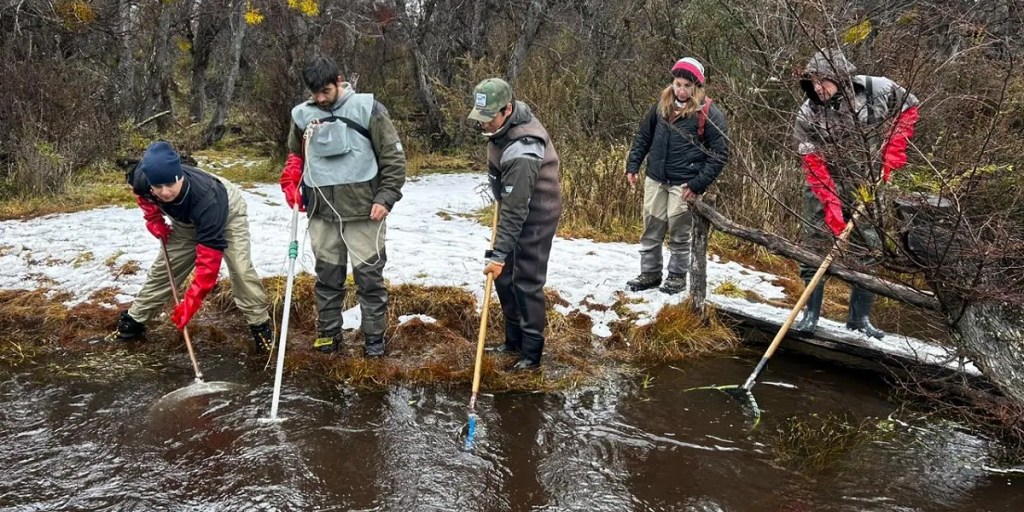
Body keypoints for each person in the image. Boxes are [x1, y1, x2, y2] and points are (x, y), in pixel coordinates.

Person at [279, 55, 407, 357]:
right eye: (315, 94)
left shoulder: (368, 109)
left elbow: (394, 158)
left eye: (326, 91)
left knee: (369, 281)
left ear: (339, 81)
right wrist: (291, 184)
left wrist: (385, 198)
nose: (320, 99)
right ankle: (328, 335)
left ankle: (374, 339)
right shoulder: (302, 116)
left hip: (365, 211)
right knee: (327, 278)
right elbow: (295, 157)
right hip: (321, 212)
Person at [792, 49, 919, 339]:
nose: (818, 88)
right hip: (823, 181)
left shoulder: (877, 89)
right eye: (813, 81)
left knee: (870, 248)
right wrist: (831, 204)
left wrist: (894, 148)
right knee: (815, 245)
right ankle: (810, 314)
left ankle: (859, 318)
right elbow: (811, 161)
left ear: (842, 79)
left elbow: (910, 107)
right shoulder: (808, 113)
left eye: (824, 81)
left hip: (866, 181)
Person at [106, 140, 273, 352]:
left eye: (170, 184)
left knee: (240, 269)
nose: (165, 192)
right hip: (186, 222)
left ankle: (260, 325)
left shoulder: (207, 199)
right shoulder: (142, 178)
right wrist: (153, 218)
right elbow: (143, 196)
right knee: (164, 270)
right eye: (158, 187)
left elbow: (209, 261)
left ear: (180, 176)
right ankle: (134, 321)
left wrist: (191, 302)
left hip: (226, 211)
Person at [468, 78, 562, 372]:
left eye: (488, 119)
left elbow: (517, 209)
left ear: (507, 110)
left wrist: (499, 254)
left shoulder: (524, 147)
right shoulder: (500, 127)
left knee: (526, 281)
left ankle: (532, 353)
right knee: (503, 275)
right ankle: (513, 341)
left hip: (535, 214)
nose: (483, 125)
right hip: (512, 205)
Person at [625, 57, 729, 294]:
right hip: (656, 177)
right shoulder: (661, 106)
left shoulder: (709, 113)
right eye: (678, 84)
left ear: (697, 87)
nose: (681, 90)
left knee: (680, 232)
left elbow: (720, 154)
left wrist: (697, 184)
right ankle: (649, 273)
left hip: (685, 182)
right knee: (651, 228)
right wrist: (633, 166)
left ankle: (677, 276)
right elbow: (643, 137)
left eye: (687, 85)